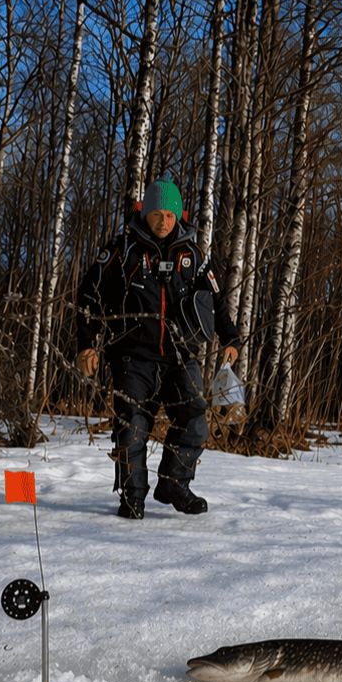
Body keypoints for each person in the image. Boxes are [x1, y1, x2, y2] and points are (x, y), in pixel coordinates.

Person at [73, 176, 241, 518]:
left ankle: (174, 484)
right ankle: (132, 496)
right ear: (144, 213)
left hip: (181, 356)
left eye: (169, 215)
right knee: (132, 423)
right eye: (156, 215)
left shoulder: (193, 254)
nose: (163, 222)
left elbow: (217, 300)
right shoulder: (122, 251)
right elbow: (88, 295)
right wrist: (87, 344)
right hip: (132, 356)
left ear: (178, 216)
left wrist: (231, 339)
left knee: (195, 415)